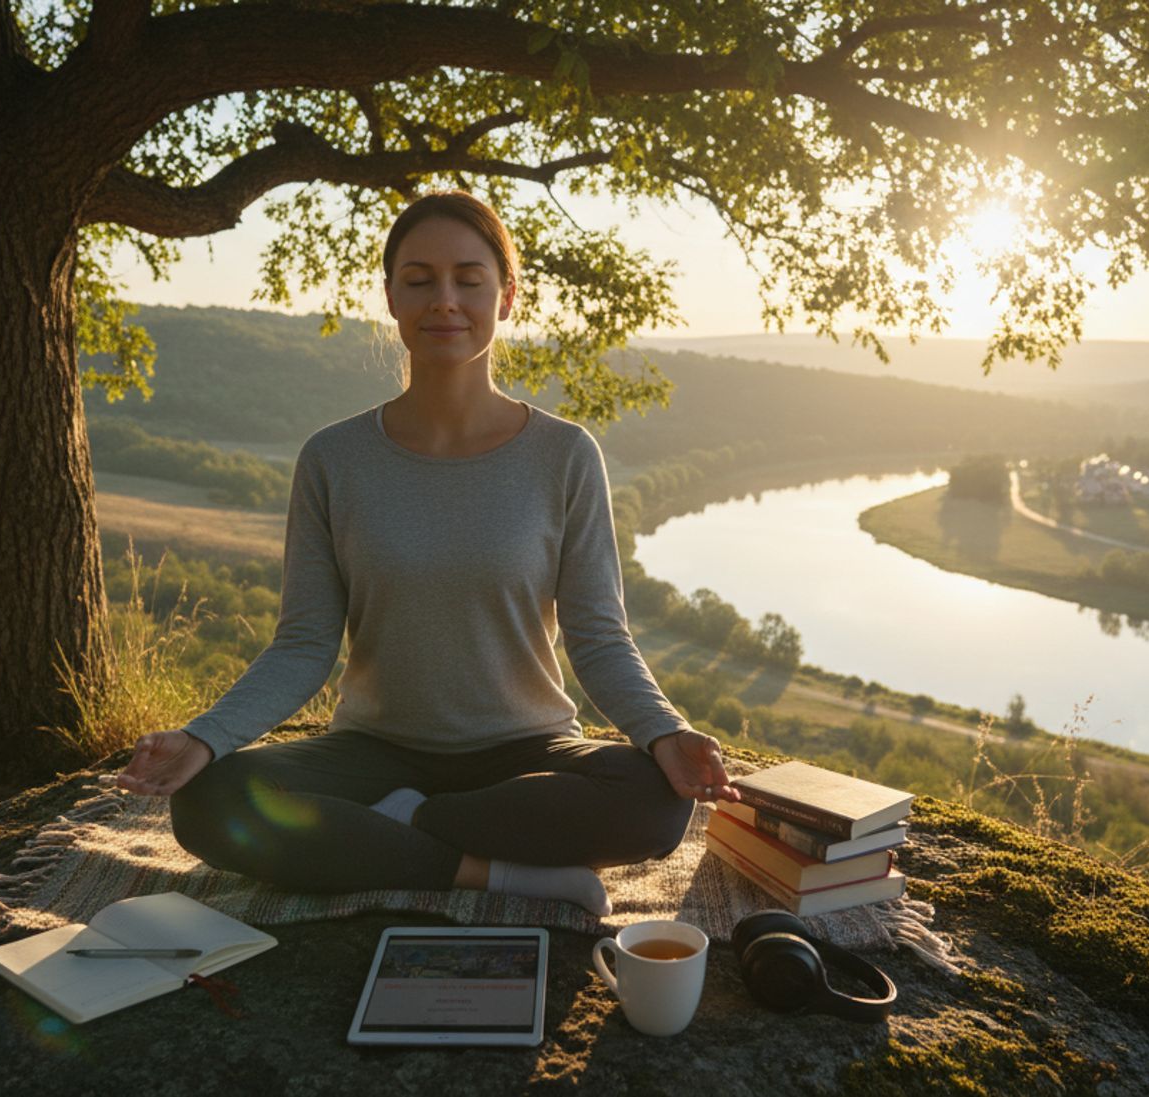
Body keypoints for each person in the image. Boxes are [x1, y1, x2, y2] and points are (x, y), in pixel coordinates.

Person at [115, 190, 738, 916]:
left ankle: (396, 828)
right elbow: (304, 644)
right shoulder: (334, 459)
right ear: (391, 298)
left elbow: (599, 637)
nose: (445, 300)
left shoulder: (565, 455)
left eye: (469, 279)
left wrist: (665, 732)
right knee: (209, 799)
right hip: (374, 752)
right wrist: (204, 738)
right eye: (419, 280)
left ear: (507, 297)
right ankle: (488, 869)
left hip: (526, 751)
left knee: (654, 800)